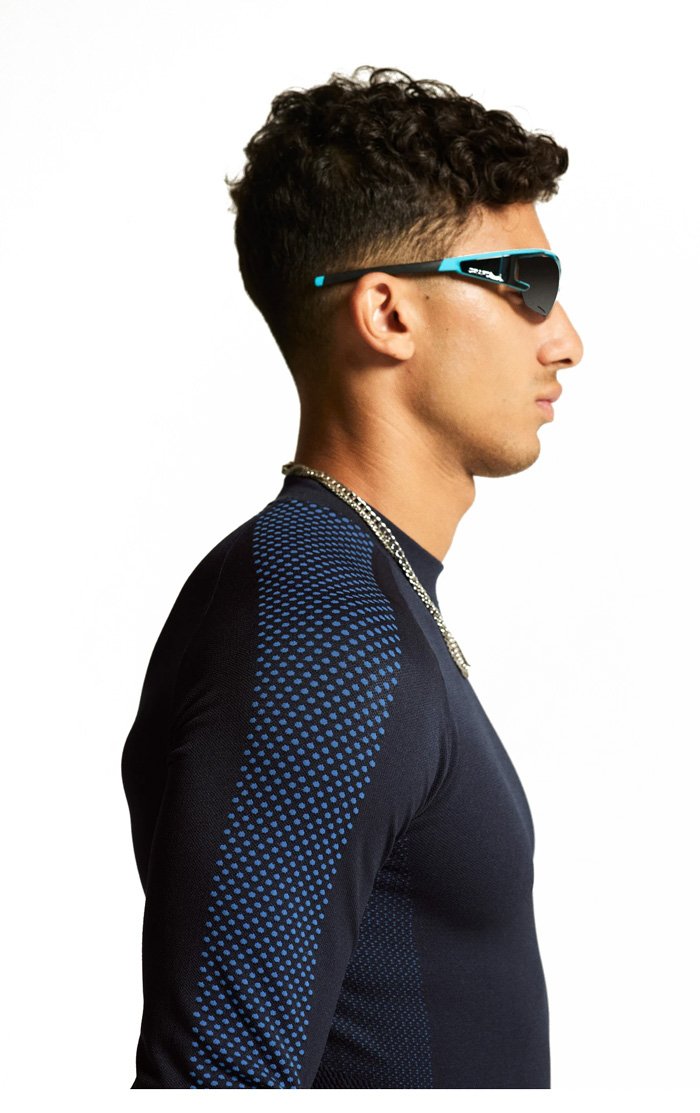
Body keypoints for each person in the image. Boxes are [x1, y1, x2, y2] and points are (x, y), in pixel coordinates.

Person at [120, 64, 584, 1089]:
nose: (566, 341)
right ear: (387, 313)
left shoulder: (352, 592)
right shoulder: (322, 626)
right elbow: (218, 1087)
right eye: (526, 285)